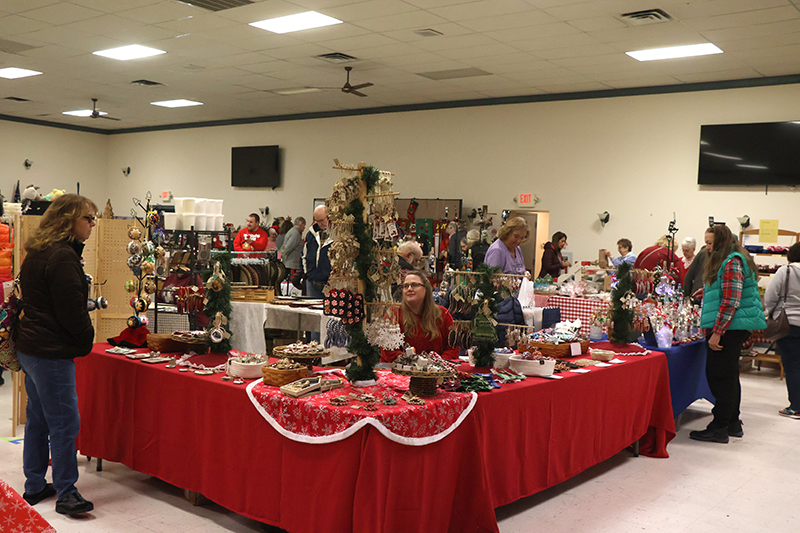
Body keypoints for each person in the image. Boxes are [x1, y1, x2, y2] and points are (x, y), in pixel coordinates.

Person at [16, 194, 98, 516]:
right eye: (87, 218)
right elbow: (70, 312)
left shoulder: (38, 249)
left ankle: (35, 485)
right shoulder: (63, 256)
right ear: (68, 220)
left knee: (38, 419)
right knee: (64, 422)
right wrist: (87, 338)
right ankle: (67, 493)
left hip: (31, 348)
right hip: (51, 352)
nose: (92, 224)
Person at [690, 224, 766, 443]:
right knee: (730, 377)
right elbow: (729, 290)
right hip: (734, 326)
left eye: (710, 243)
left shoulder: (731, 262)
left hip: (729, 328)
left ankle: (719, 427)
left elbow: (731, 301)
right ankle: (732, 422)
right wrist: (708, 291)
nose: (707, 247)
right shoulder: (733, 259)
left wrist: (717, 332)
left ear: (721, 242)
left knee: (720, 378)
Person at [380, 271, 460, 362]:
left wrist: (438, 363)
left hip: (437, 368)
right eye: (405, 286)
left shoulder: (442, 314)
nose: (409, 289)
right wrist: (415, 364)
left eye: (414, 285)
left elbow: (453, 347)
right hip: (401, 368)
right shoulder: (393, 314)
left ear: (425, 289)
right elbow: (388, 351)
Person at [763, 242, 800, 418]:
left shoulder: (785, 271)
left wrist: (769, 313)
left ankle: (796, 406)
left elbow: (771, 296)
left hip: (787, 324)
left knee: (792, 366)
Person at [303, 206, 332, 300]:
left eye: (322, 220)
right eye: (317, 221)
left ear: (329, 216)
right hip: (312, 282)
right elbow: (304, 255)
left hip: (331, 283)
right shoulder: (310, 234)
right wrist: (307, 274)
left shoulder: (337, 235)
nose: (320, 223)